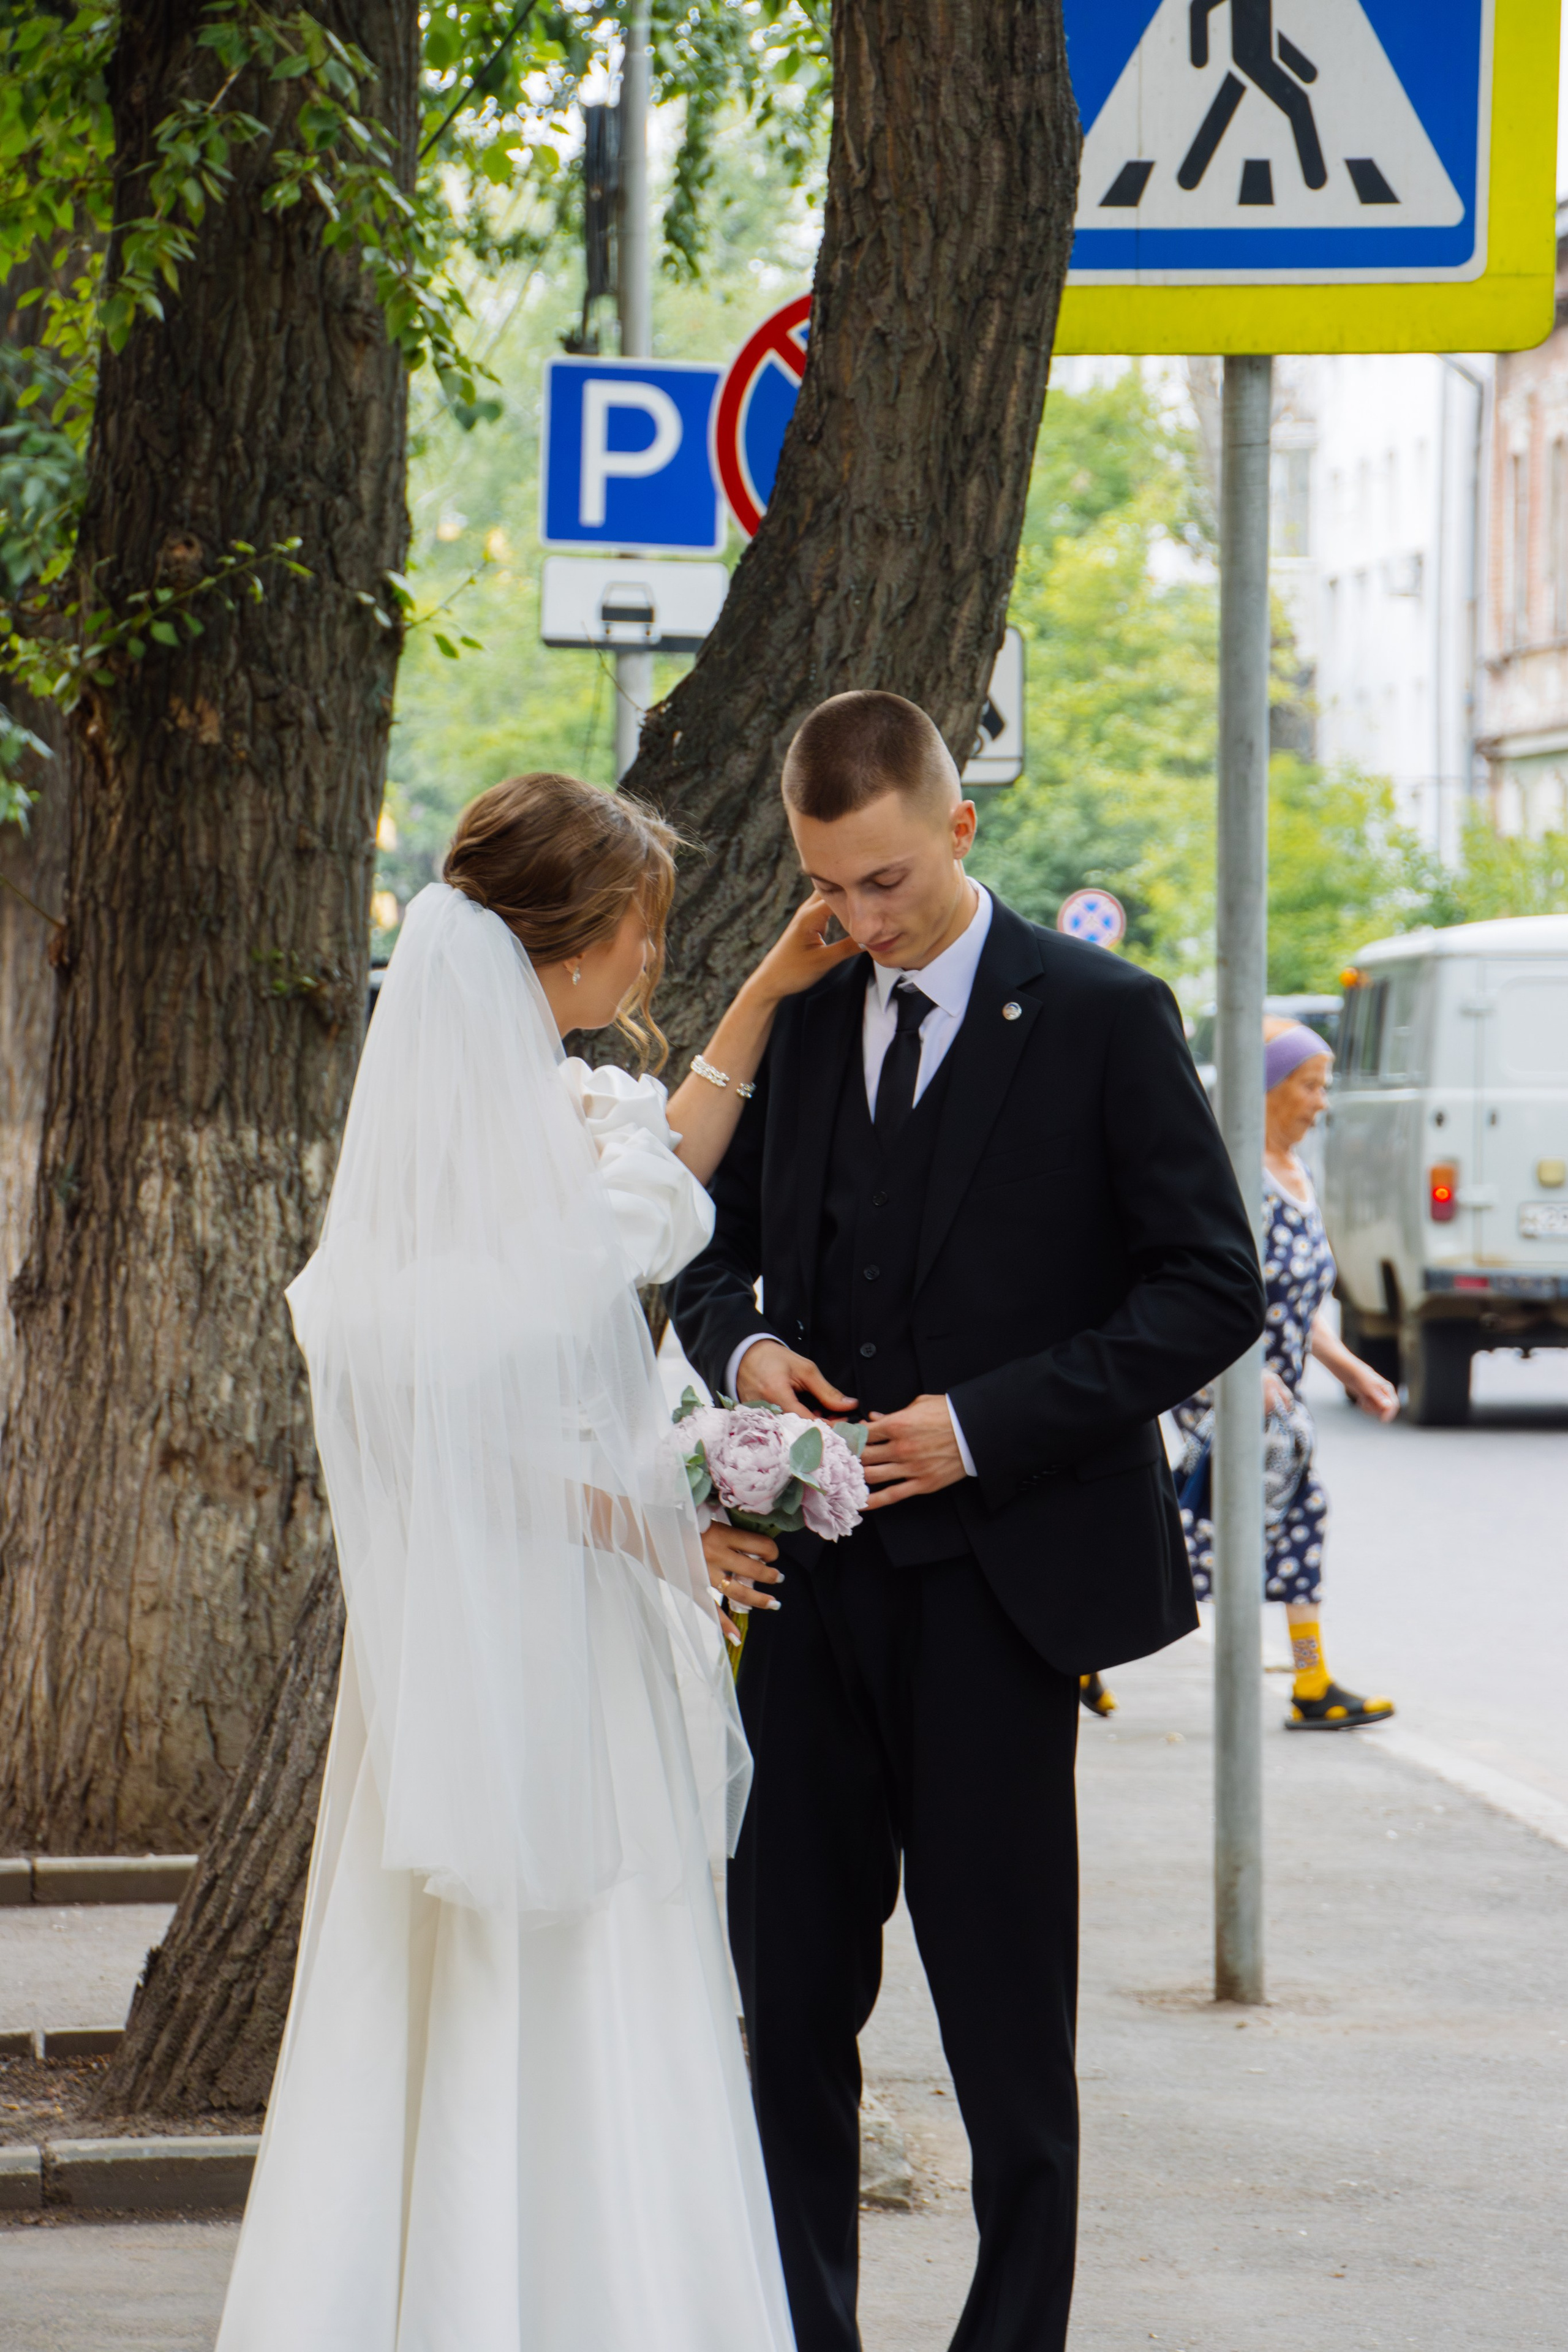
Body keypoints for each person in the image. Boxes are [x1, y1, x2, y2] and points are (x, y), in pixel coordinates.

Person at [215, 769, 853, 2352]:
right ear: (561, 948)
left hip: (459, 1646)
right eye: (639, 931)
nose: (650, 963)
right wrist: (661, 1517)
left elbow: (664, 1176)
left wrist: (768, 987)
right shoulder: (516, 1179)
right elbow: (507, 1437)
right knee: (555, 1963)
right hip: (539, 1636)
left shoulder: (504, 1144)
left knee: (485, 1972)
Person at [668, 692, 1265, 2352]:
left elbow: (1210, 1288)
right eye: (828, 886)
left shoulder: (1100, 1013)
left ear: (961, 829)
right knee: (786, 1993)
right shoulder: (798, 1013)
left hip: (1008, 1599)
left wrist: (984, 1425)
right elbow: (702, 1255)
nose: (859, 918)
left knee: (1008, 2019)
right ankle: (804, 2331)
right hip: (804, 1590)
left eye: (885, 880)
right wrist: (750, 1346)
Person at [1174, 1017, 1399, 1730]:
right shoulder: (1231, 1182)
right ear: (1265, 1090)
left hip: (1276, 1388)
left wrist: (1352, 1369)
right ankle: (1310, 1683)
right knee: (1214, 1527)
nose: (1320, 1102)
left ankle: (1311, 1681)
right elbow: (1191, 1288)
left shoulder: (1297, 1176)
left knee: (1240, 1524)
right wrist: (1237, 1372)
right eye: (1308, 1085)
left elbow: (1300, 1306)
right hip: (1220, 1383)